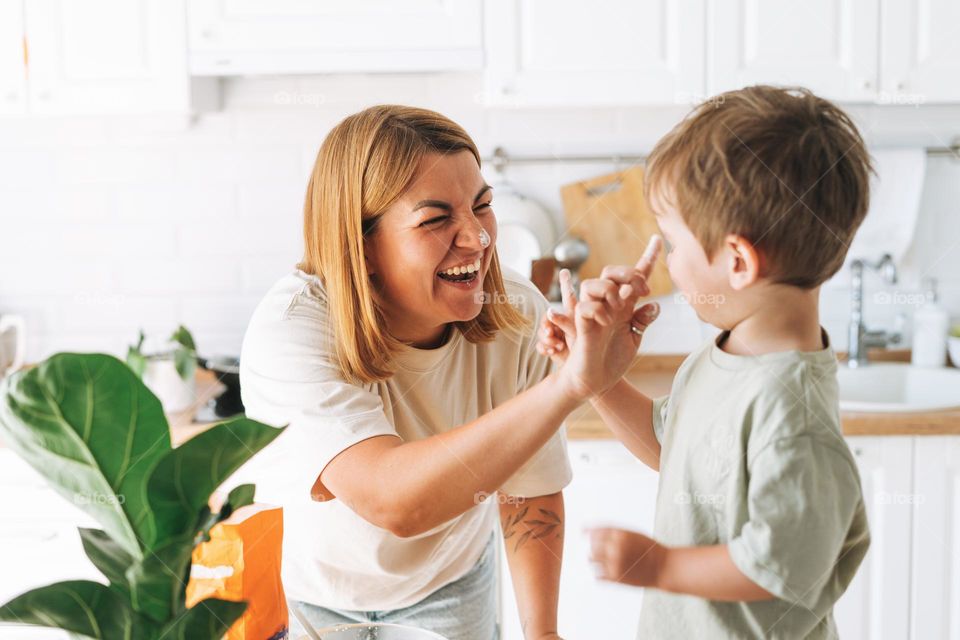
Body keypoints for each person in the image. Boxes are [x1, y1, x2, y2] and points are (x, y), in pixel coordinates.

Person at [235, 105, 657, 639]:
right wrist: (568, 385)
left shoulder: (519, 314)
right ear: (360, 245)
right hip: (307, 594)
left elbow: (527, 489)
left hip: (450, 586)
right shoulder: (294, 329)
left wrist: (542, 632)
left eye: (482, 206)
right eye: (436, 219)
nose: (478, 238)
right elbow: (394, 501)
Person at [539, 86, 872, 639]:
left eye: (672, 242)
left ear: (738, 261)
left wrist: (662, 566)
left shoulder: (793, 416)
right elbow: (673, 449)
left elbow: (779, 563)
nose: (666, 262)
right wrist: (593, 376)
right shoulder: (725, 354)